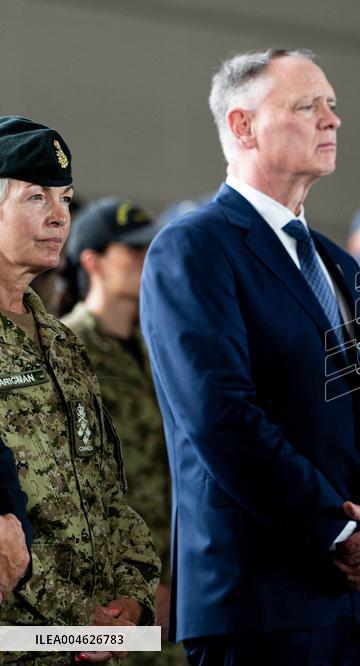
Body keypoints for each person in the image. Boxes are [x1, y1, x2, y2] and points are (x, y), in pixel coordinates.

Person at [140, 49, 360, 665]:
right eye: (307, 106)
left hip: (358, 601)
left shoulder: (338, 263)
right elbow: (221, 416)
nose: (332, 120)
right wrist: (341, 528)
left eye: (332, 106)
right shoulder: (192, 248)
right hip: (259, 599)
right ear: (242, 126)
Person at [0, 116, 160, 663]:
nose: (57, 217)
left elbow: (106, 486)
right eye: (35, 197)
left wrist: (131, 597)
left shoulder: (62, 341)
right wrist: (78, 617)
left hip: (92, 640)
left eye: (65, 200)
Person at [60, 197, 184, 664]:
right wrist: (141, 584)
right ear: (91, 261)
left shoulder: (155, 348)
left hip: (175, 573)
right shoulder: (65, 348)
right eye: (130, 251)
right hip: (112, 591)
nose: (144, 259)